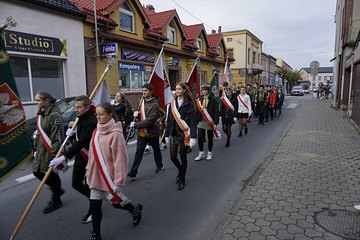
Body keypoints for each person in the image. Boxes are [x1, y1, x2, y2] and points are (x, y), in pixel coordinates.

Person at [86, 102, 143, 240]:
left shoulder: (116, 134)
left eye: (101, 114)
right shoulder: (96, 130)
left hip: (109, 177)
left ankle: (134, 210)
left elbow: (120, 160)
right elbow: (93, 155)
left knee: (117, 203)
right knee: (95, 206)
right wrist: (88, 171)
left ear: (110, 115)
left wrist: (118, 182)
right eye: (96, 114)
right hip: (95, 176)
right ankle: (96, 234)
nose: (98, 117)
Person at [51, 95, 97, 223]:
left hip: (90, 158)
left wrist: (64, 156)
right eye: (75, 107)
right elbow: (76, 139)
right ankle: (94, 201)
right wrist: (70, 135)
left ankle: (93, 209)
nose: (76, 109)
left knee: (89, 186)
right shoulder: (78, 119)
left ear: (87, 107)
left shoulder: (92, 122)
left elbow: (82, 142)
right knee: (76, 183)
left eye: (79, 107)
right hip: (80, 157)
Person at [33, 91, 65, 214]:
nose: (36, 103)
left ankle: (56, 199)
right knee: (37, 172)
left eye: (38, 100)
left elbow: (57, 136)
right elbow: (38, 134)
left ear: (47, 101)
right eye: (35, 100)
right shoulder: (41, 113)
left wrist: (55, 154)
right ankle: (57, 190)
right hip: (41, 149)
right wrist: (35, 148)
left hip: (50, 150)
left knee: (49, 173)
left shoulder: (54, 115)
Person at [127, 83, 164, 180]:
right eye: (143, 90)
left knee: (156, 150)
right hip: (142, 132)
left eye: (146, 90)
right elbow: (137, 116)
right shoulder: (140, 102)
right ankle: (133, 172)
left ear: (151, 92)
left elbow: (150, 121)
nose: (143, 92)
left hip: (152, 132)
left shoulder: (155, 104)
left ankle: (160, 166)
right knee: (139, 152)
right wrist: (135, 114)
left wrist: (135, 125)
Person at [165, 82, 197, 190]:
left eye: (179, 89)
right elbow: (169, 120)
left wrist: (193, 137)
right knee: (173, 157)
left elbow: (193, 121)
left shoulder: (190, 104)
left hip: (185, 134)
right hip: (174, 133)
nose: (177, 91)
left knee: (183, 157)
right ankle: (181, 170)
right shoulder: (172, 104)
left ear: (184, 90)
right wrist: (166, 134)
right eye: (176, 89)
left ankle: (182, 179)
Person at [194, 84, 219, 161]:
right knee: (200, 137)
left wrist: (215, 123)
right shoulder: (199, 99)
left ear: (208, 91)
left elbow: (216, 112)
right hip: (201, 121)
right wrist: (195, 120)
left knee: (209, 137)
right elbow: (196, 110)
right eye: (203, 90)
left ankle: (209, 152)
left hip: (210, 121)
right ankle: (201, 153)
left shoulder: (213, 99)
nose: (204, 91)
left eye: (206, 90)